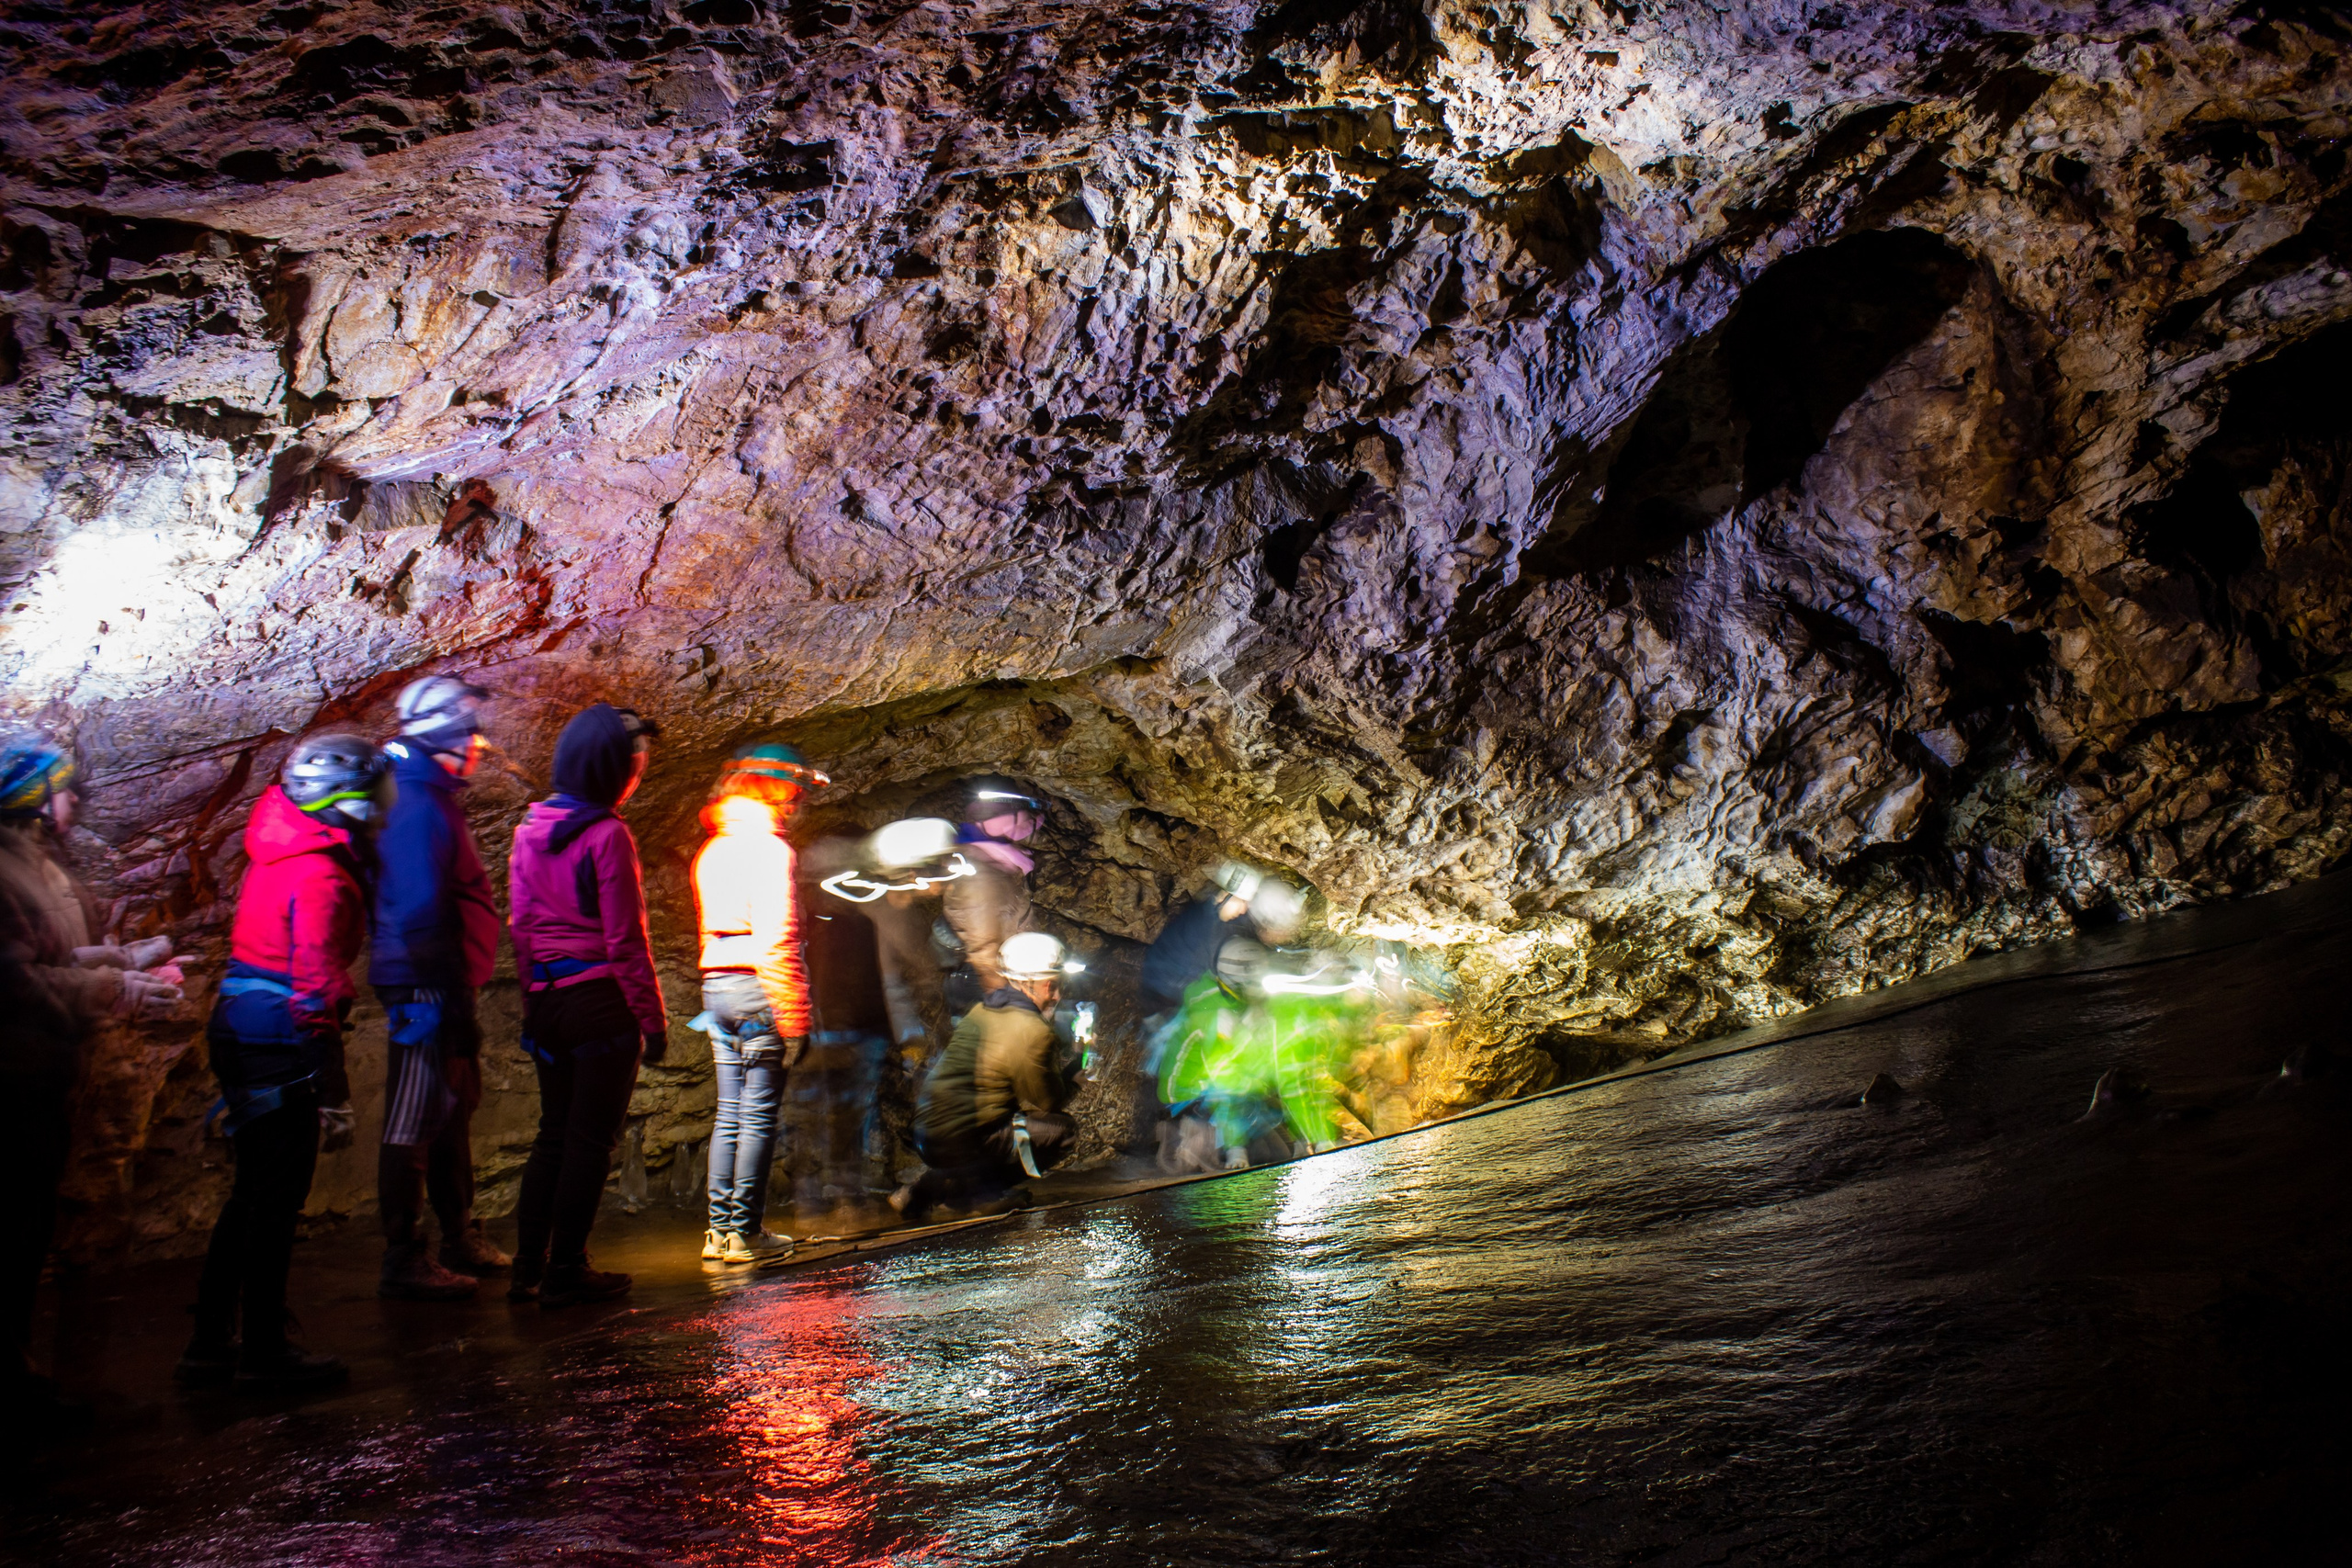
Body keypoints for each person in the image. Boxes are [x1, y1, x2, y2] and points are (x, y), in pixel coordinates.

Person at [177, 736, 378, 1391]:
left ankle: (212, 1338)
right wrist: (333, 1089)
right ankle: (263, 1348)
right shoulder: (320, 872)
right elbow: (314, 989)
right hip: (277, 1038)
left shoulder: (285, 844)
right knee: (276, 1199)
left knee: (251, 1192)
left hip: (241, 1022)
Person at [0, 734, 181, 1420]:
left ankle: (16, 1369)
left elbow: (50, 952)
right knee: (12, 1225)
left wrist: (119, 958)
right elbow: (12, 980)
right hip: (12, 1074)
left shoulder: (34, 865)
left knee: (27, 1223)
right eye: (66, 787)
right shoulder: (6, 870)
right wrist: (118, 988)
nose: (75, 800)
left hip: (43, 1071)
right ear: (36, 797)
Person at [506, 704, 664, 1308]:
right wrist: (651, 1021)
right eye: (635, 762)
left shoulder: (528, 828)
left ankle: (528, 1268)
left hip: (547, 998)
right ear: (612, 769)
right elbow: (627, 940)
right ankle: (568, 1266)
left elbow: (521, 927)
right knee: (590, 1142)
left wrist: (531, 1004)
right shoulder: (607, 834)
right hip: (599, 1003)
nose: (639, 772)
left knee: (552, 1135)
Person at [371, 675, 508, 1301]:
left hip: (442, 980)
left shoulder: (432, 796)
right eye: (471, 728)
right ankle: (405, 1251)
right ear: (445, 732)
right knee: (416, 1115)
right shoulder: (418, 802)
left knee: (451, 1110)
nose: (481, 742)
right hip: (425, 984)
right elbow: (422, 905)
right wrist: (448, 993)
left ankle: (458, 1233)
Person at [693, 744, 826, 1264]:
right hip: (756, 990)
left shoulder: (715, 848)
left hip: (716, 987)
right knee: (758, 1116)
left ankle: (719, 1232)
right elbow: (777, 941)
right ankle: (745, 1232)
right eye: (795, 794)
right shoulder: (769, 850)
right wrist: (795, 1020)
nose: (797, 805)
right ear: (778, 790)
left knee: (729, 1113)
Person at [896, 931, 1081, 1222]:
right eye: (1052, 986)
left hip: (925, 1133)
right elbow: (1048, 1101)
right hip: (962, 1139)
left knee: (1002, 1120)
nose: (1058, 995)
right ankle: (979, 1195)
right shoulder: (1033, 1031)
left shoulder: (982, 1010)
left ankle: (924, 1189)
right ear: (1029, 984)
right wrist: (1074, 1077)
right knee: (1063, 1131)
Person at [940, 778, 1044, 1011]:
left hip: (1006, 992)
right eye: (1026, 821)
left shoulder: (997, 865)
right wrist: (1009, 1005)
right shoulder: (979, 875)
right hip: (990, 1000)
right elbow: (984, 950)